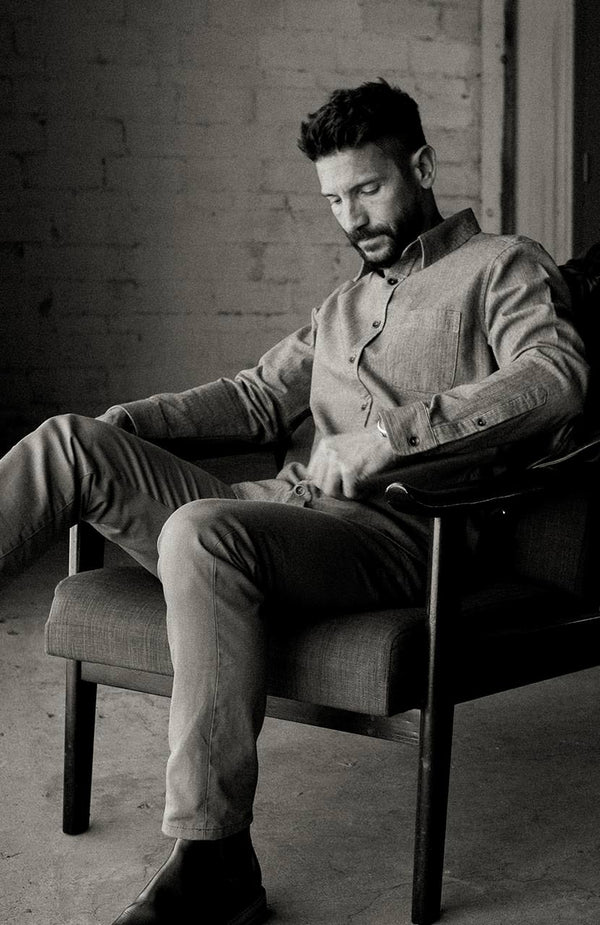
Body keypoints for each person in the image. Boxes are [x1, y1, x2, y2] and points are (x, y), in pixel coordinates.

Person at [0, 80, 588, 924]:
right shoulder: (342, 306)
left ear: (422, 167)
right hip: (277, 510)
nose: (352, 217)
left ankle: (216, 862)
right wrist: (131, 422)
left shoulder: (502, 267)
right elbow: (253, 398)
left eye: (368, 189)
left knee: (202, 530)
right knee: (68, 441)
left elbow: (556, 378)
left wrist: (389, 437)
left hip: (393, 534)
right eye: (335, 199)